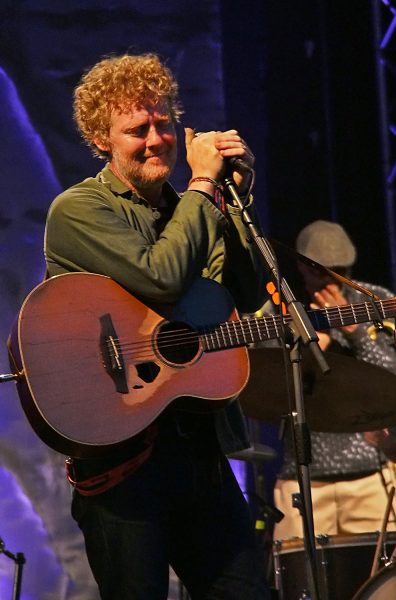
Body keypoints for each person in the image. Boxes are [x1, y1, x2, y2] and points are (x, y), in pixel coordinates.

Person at [43, 53, 270, 599]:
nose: (155, 139)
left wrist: (236, 199)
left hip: (200, 451)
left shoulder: (198, 205)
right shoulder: (77, 210)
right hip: (122, 465)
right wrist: (201, 186)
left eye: (163, 124)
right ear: (101, 138)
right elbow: (161, 278)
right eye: (136, 129)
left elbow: (244, 292)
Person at [273, 219, 396, 540]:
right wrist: (313, 354)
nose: (328, 278)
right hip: (305, 479)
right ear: (302, 267)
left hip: (371, 477)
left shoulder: (374, 300)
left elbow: (392, 378)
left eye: (337, 269)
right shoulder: (280, 308)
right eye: (319, 270)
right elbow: (268, 389)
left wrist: (354, 332)